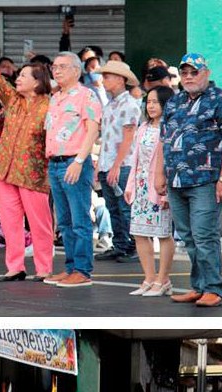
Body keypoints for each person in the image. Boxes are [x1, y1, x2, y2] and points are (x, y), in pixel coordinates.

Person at [152, 52, 222, 306]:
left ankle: (214, 288)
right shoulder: (174, 102)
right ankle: (199, 286)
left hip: (207, 180)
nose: (189, 77)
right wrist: (159, 173)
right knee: (188, 236)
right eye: (185, 72)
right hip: (176, 180)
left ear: (207, 72)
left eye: (195, 72)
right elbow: (164, 140)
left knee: (204, 235)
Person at [0, 22, 54, 282]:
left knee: (40, 223)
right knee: (10, 222)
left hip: (33, 173)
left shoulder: (49, 107)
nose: (17, 78)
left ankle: (43, 268)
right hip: (5, 170)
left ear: (37, 82)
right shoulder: (13, 100)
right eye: (18, 75)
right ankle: (15, 266)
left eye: (23, 76)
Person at [44, 51, 101, 287]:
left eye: (62, 67)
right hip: (55, 163)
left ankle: (82, 270)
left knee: (79, 219)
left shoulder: (86, 96)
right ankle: (70, 268)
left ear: (76, 71)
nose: (56, 71)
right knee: (64, 221)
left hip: (73, 162)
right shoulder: (55, 98)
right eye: (55, 67)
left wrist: (79, 161)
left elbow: (92, 130)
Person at [125, 85, 175, 295]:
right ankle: (149, 278)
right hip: (140, 185)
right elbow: (135, 158)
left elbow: (170, 160)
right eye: (149, 101)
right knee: (139, 233)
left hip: (160, 186)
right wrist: (130, 184)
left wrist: (167, 190)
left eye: (156, 102)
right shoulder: (143, 126)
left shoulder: (170, 127)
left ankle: (163, 279)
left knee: (163, 233)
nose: (151, 105)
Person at [95, 59, 140, 265]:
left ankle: (132, 246)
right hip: (108, 163)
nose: (103, 80)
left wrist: (115, 164)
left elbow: (128, 137)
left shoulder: (129, 105)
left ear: (121, 80)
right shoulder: (110, 105)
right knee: (113, 206)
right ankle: (121, 244)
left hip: (122, 164)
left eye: (107, 77)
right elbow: (107, 138)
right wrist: (101, 164)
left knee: (124, 206)